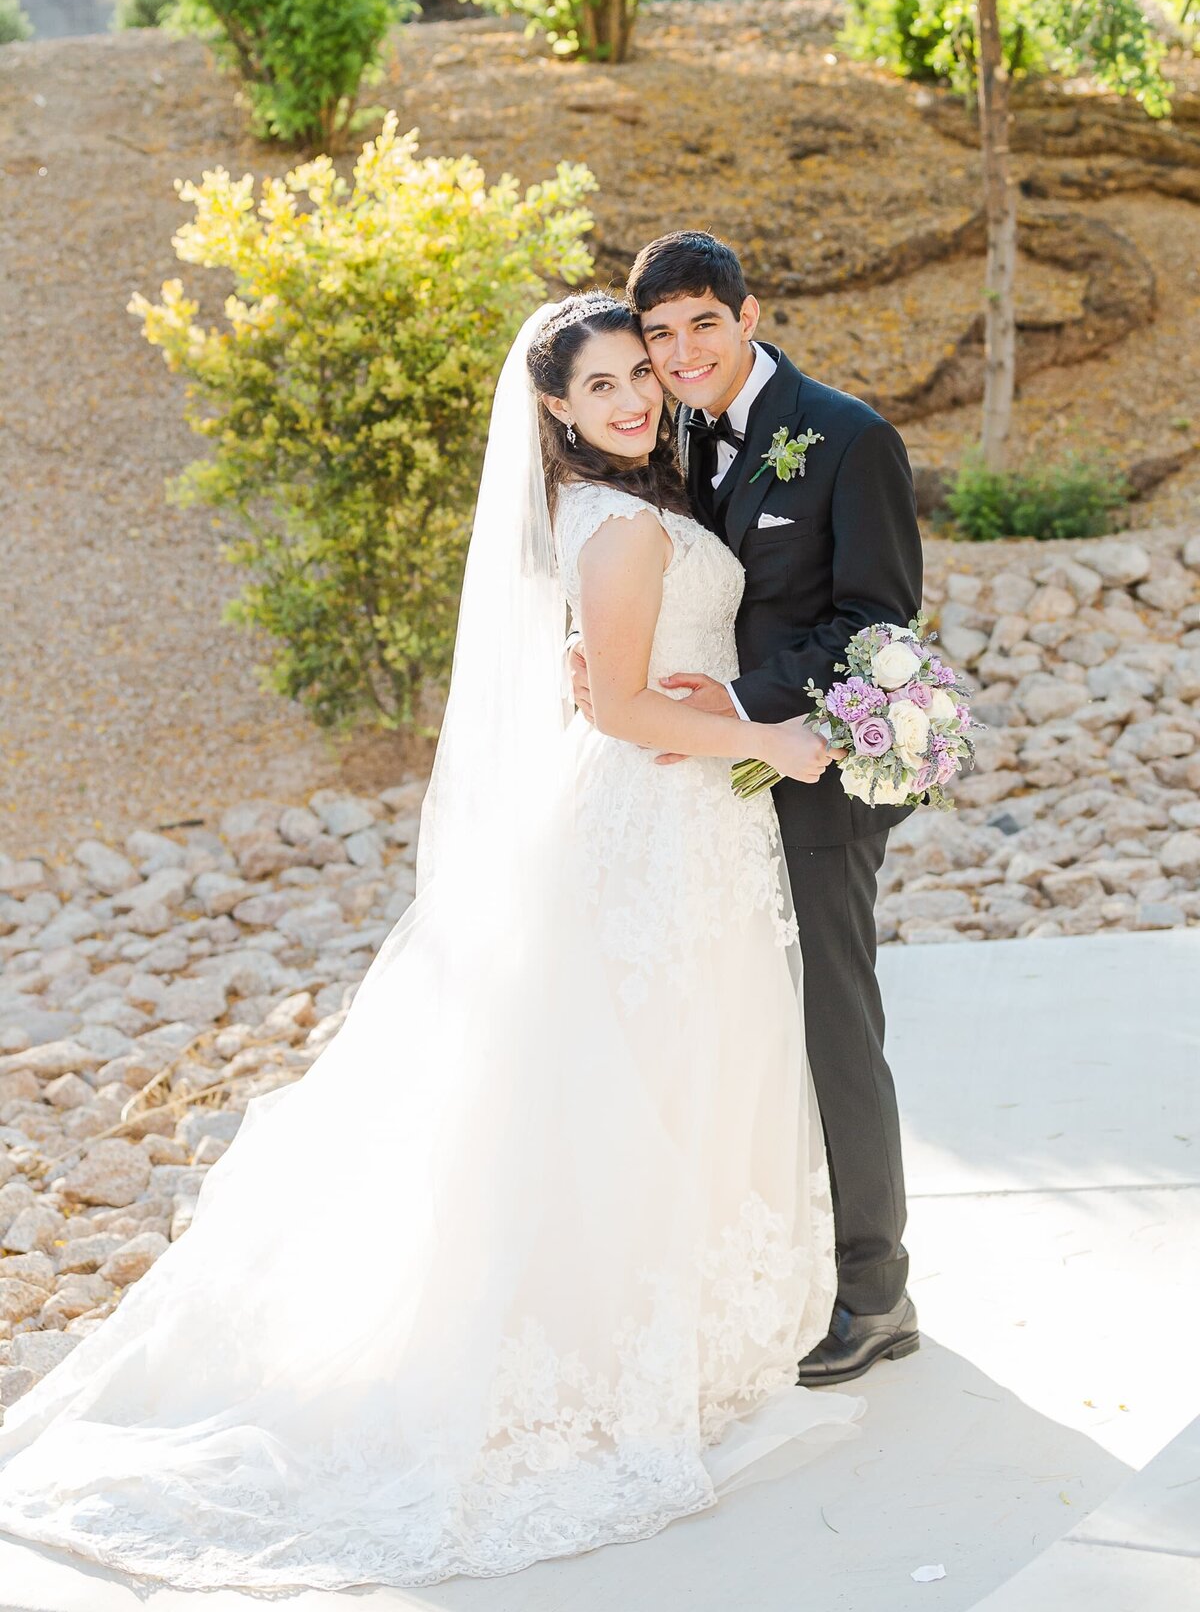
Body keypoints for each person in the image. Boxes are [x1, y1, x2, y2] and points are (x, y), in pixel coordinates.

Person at [0, 295, 862, 1593]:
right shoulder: (624, 522)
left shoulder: (622, 504)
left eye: (643, 373)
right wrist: (772, 739)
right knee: (630, 1091)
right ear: (556, 411)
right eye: (604, 384)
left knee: (652, 1085)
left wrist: (712, 694)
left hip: (672, 822)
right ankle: (597, 1365)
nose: (635, 397)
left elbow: (625, 680)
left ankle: (655, 1342)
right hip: (651, 830)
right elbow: (621, 708)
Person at [571, 234, 924, 1385]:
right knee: (735, 1038)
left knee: (830, 1032)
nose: (677, 355)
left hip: (805, 777)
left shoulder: (851, 437)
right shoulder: (665, 433)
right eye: (657, 335)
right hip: (697, 799)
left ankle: (875, 1296)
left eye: (699, 327)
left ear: (749, 314)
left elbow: (876, 629)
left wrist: (731, 704)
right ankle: (774, 1268)